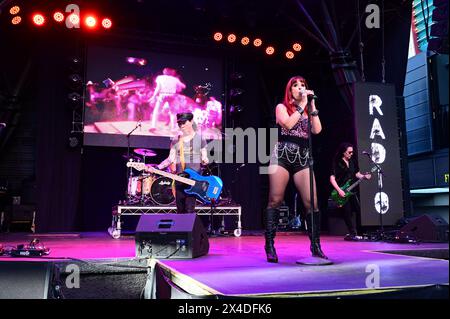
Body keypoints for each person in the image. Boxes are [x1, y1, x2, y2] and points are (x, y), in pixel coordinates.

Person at [265, 75, 326, 263]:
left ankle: (315, 246)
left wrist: (312, 106)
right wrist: (302, 106)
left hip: (303, 158)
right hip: (281, 156)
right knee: (275, 199)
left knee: (312, 202)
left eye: (303, 85)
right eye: (296, 85)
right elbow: (289, 124)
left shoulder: (308, 109)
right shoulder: (281, 107)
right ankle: (269, 245)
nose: (300, 88)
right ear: (290, 90)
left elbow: (317, 130)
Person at [157, 112, 209, 214]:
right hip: (180, 179)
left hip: (194, 180)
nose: (181, 125)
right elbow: (170, 159)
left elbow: (205, 156)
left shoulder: (200, 139)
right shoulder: (176, 139)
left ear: (191, 121)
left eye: (184, 122)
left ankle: (189, 230)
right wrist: (157, 167)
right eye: (179, 123)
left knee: (189, 210)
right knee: (180, 211)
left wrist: (205, 160)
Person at [330, 143, 371, 239]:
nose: (351, 154)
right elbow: (332, 178)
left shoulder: (352, 162)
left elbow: (357, 174)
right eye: (349, 152)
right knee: (347, 212)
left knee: (358, 210)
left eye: (352, 152)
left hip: (352, 190)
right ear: (344, 152)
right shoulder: (337, 162)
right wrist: (339, 190)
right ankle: (352, 232)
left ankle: (361, 233)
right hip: (342, 191)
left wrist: (364, 176)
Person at [149, 68, 186, 133]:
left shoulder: (160, 77)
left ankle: (153, 126)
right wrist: (177, 86)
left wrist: (154, 96)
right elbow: (183, 86)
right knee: (173, 112)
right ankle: (173, 128)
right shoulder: (175, 79)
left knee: (156, 111)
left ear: (165, 72)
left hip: (163, 94)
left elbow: (158, 88)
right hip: (172, 95)